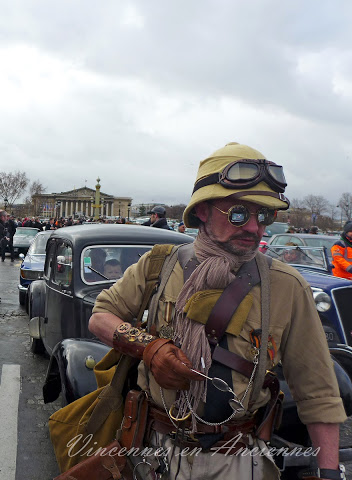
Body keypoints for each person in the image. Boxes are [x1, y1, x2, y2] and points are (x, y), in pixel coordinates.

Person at [88, 142, 345, 479]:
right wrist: (149, 348)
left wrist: (329, 473)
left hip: (239, 460)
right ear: (204, 211)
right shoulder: (158, 266)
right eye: (239, 213)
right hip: (153, 453)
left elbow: (318, 391)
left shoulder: (286, 286)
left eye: (264, 215)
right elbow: (100, 316)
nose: (254, 227)